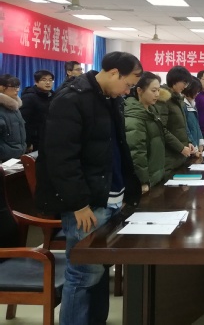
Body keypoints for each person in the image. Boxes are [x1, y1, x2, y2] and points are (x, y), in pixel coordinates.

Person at [34, 52, 143, 325]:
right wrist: (78, 204)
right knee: (83, 275)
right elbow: (61, 158)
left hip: (110, 197)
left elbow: (115, 147)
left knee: (98, 271)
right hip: (87, 204)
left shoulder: (109, 98)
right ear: (114, 72)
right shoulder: (72, 99)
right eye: (128, 84)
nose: (127, 91)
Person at [124, 72, 168, 192]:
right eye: (153, 90)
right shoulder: (134, 117)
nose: (157, 94)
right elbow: (137, 153)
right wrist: (143, 181)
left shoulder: (152, 111)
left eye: (158, 90)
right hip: (146, 182)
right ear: (139, 90)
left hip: (156, 176)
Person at [154, 66, 195, 172]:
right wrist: (180, 147)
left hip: (179, 156)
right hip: (168, 157)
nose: (185, 86)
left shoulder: (177, 99)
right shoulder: (163, 99)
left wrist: (188, 142)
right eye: (184, 82)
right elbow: (161, 129)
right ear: (175, 80)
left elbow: (180, 126)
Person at [20, 69, 55, 151]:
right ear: (36, 82)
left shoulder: (53, 96)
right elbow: (24, 122)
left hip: (49, 138)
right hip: (35, 140)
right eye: (44, 80)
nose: (48, 83)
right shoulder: (29, 97)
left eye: (50, 80)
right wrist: (28, 142)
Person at [0, 76, 26, 162]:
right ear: (1, 87)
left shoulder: (15, 107)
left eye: (18, 87)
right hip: (4, 158)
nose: (17, 90)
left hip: (17, 155)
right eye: (13, 87)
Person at [182, 78, 204, 156]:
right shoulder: (183, 105)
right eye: (196, 91)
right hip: (189, 147)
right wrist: (194, 147)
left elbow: (197, 125)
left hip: (196, 144)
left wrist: (201, 143)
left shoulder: (193, 104)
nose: (197, 94)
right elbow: (186, 128)